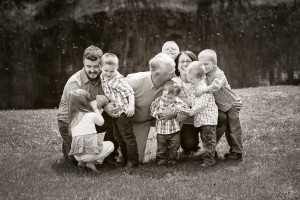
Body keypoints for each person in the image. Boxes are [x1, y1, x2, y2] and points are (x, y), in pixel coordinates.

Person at [57, 45, 118, 164]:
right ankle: (68, 145)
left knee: (116, 117)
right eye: (88, 66)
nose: (92, 70)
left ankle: (109, 157)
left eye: (96, 66)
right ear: (83, 63)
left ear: (101, 64)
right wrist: (102, 102)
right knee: (76, 162)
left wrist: (106, 103)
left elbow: (119, 92)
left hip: (88, 119)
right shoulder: (74, 83)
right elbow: (78, 111)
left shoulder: (107, 73)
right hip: (70, 123)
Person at [126, 53, 176, 162]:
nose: (174, 74)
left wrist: (173, 112)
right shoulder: (133, 82)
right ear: (157, 74)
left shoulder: (173, 84)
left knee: (135, 159)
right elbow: (113, 96)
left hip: (150, 119)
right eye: (171, 72)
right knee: (134, 159)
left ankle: (169, 153)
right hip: (131, 122)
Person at [197, 49, 243, 160]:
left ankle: (237, 152)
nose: (203, 67)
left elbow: (216, 86)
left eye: (206, 64)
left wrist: (204, 90)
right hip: (221, 106)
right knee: (225, 127)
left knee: (233, 129)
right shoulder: (204, 74)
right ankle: (211, 150)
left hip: (231, 104)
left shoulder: (219, 74)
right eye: (201, 64)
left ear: (214, 63)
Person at [99, 53, 139, 170]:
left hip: (123, 113)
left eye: (112, 71)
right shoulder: (102, 76)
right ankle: (125, 159)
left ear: (116, 69)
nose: (109, 74)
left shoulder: (118, 80)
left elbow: (130, 92)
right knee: (118, 137)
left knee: (127, 137)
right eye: (106, 70)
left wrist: (131, 106)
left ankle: (133, 161)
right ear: (101, 67)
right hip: (114, 113)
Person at [68, 89, 114, 172]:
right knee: (110, 145)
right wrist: (95, 108)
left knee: (86, 145)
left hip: (77, 156)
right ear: (86, 103)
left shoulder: (73, 119)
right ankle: (92, 162)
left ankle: (81, 162)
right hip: (89, 155)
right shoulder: (90, 115)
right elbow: (101, 122)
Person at [150, 80, 190, 166]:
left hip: (174, 131)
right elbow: (152, 109)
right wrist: (158, 114)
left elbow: (186, 109)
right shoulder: (158, 101)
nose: (167, 99)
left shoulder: (177, 102)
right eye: (165, 96)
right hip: (161, 131)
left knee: (174, 146)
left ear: (176, 96)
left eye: (170, 98)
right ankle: (161, 159)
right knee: (161, 146)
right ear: (162, 92)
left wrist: (176, 109)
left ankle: (172, 159)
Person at [186, 62, 218, 166]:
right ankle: (209, 156)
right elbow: (194, 100)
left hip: (208, 120)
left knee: (208, 140)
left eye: (192, 79)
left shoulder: (203, 88)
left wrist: (190, 112)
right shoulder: (196, 86)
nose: (189, 81)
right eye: (188, 79)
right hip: (203, 120)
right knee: (206, 139)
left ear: (201, 77)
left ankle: (209, 160)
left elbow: (201, 105)